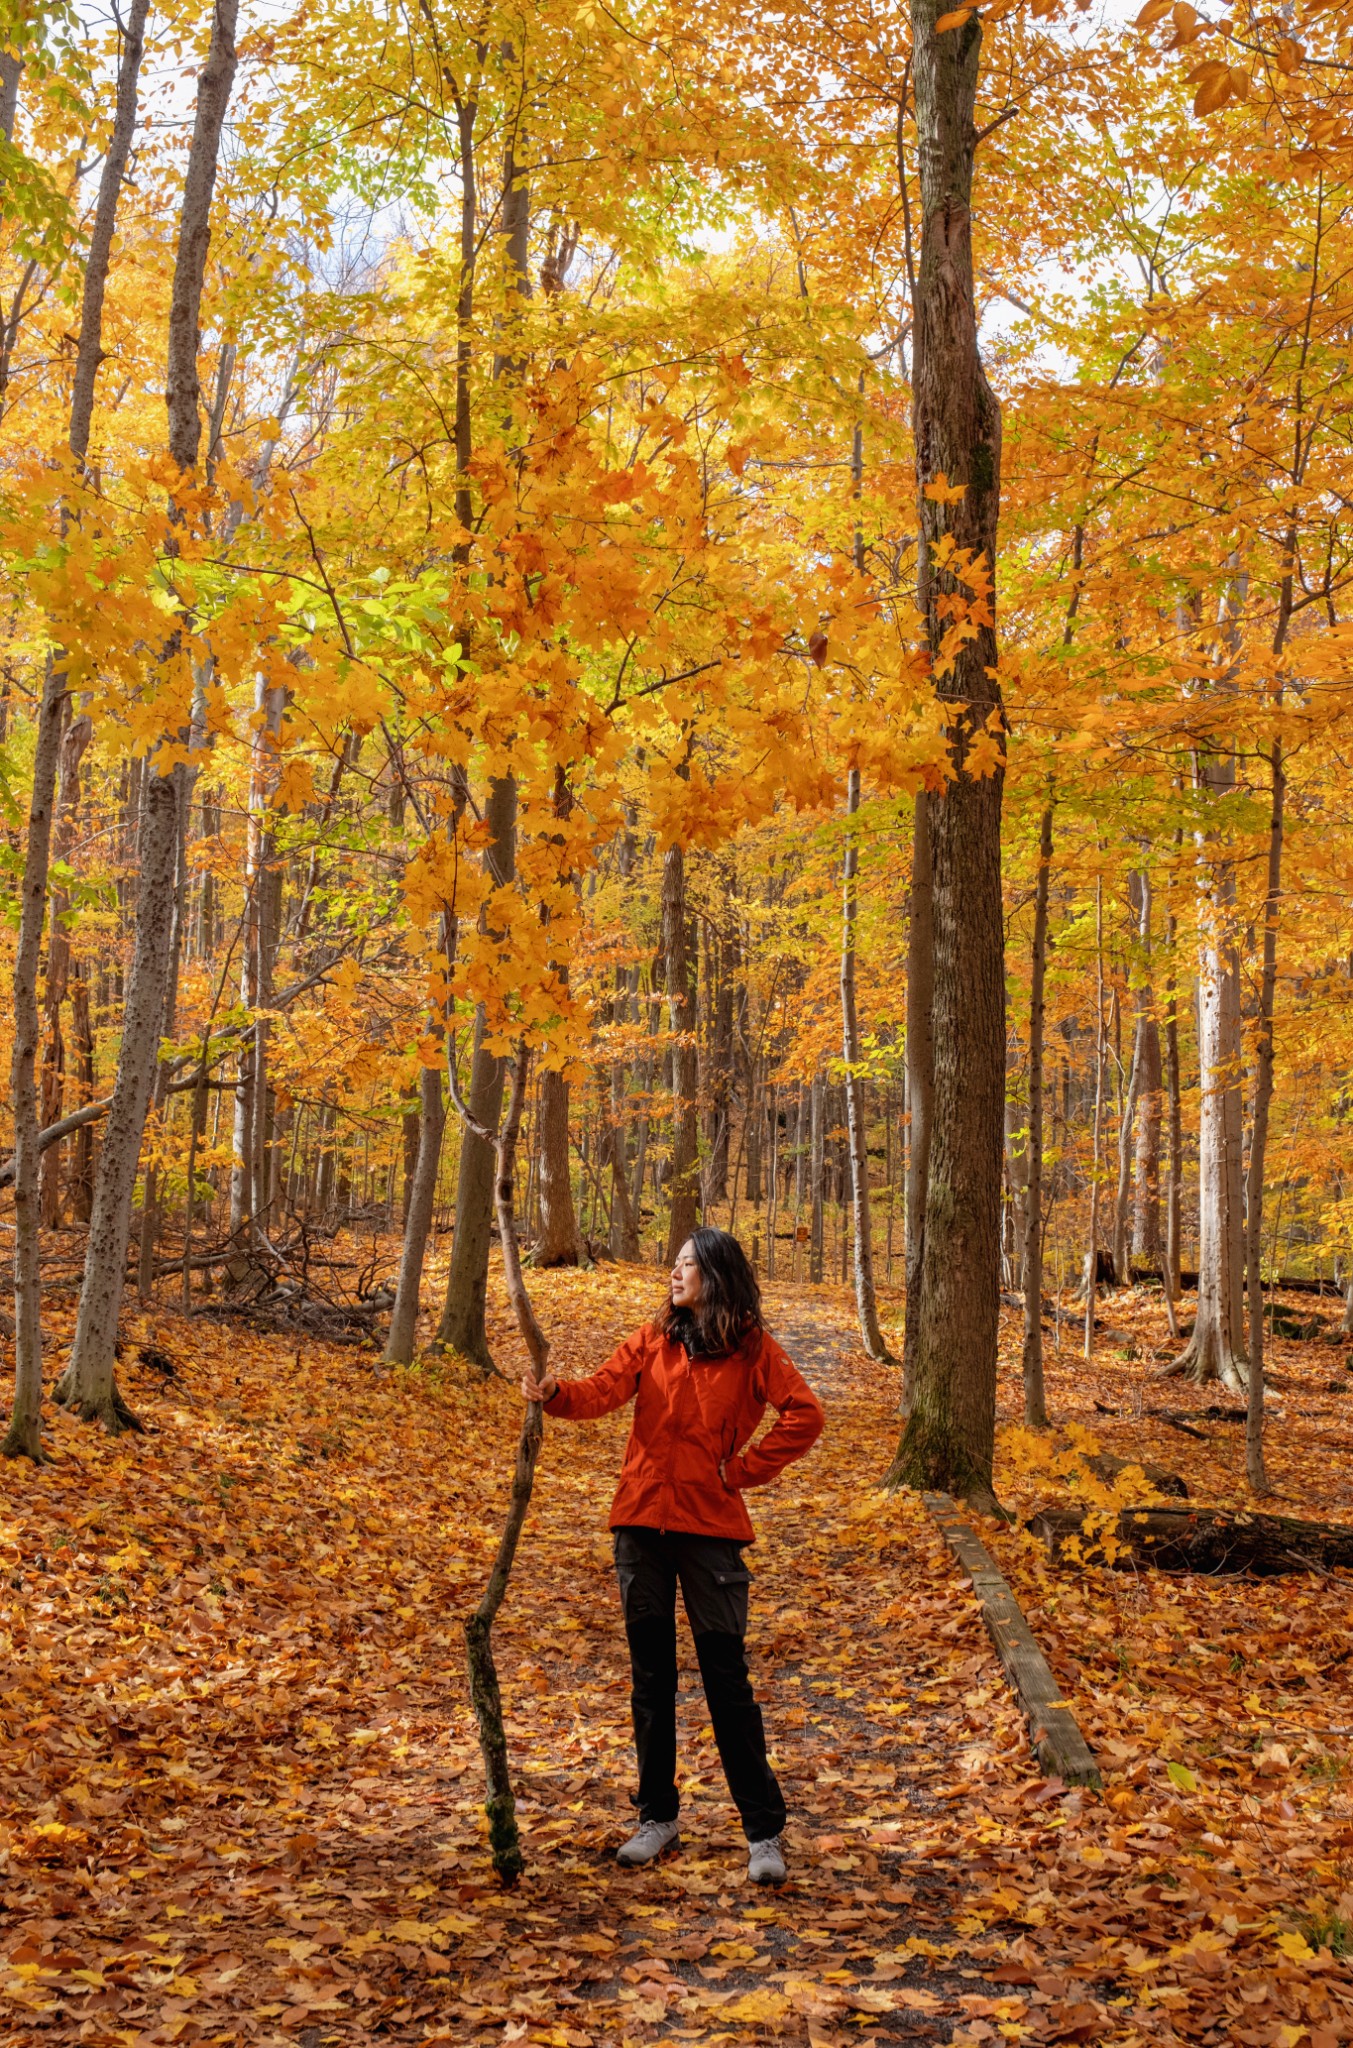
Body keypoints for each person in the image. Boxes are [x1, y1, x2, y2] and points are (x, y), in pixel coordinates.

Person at [520, 1226, 824, 1885]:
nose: (674, 1272)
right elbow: (601, 1389)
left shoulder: (752, 1349)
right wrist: (554, 1395)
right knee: (651, 1680)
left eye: (687, 1264)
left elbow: (804, 1415)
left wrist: (742, 1472)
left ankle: (762, 1833)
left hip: (711, 1529)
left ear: (715, 1274)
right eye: (674, 1263)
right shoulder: (654, 1338)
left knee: (726, 1682)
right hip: (639, 1525)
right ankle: (656, 1817)